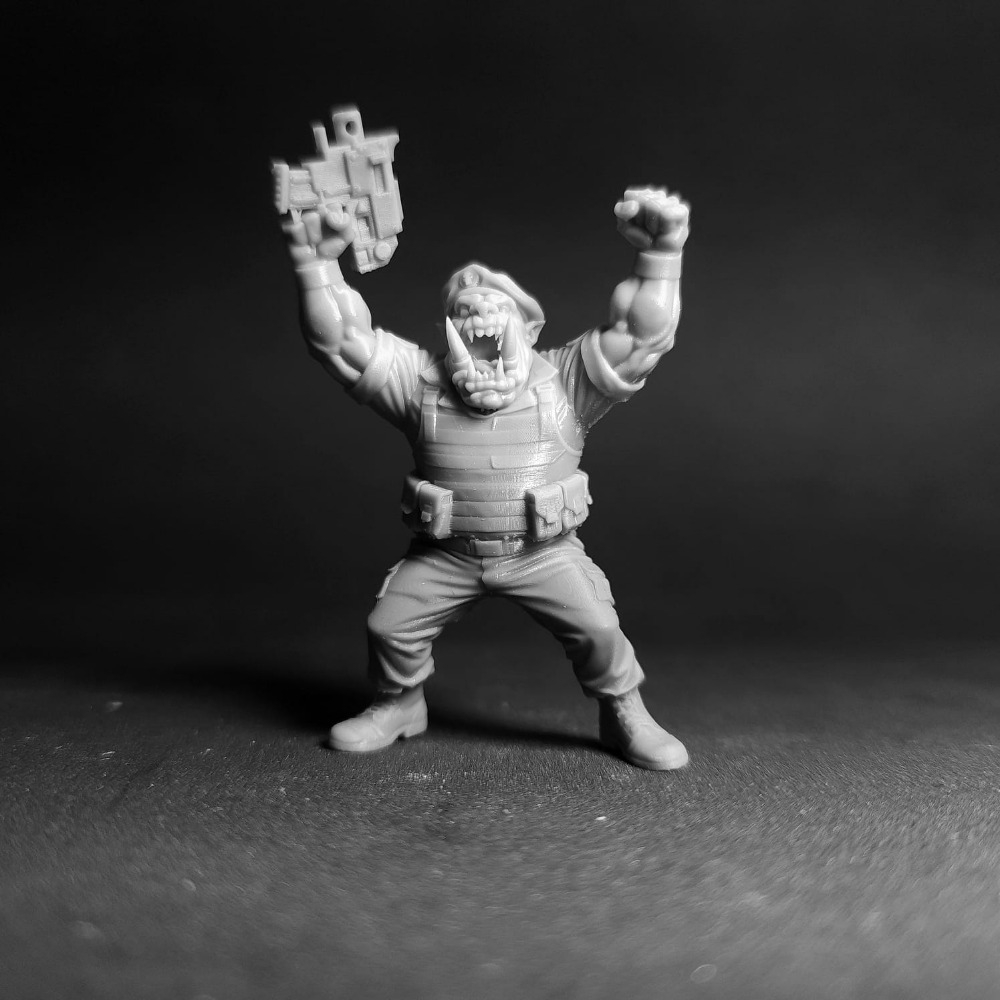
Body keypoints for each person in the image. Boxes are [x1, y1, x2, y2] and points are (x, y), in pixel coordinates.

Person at [281, 186, 691, 770]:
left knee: (599, 628)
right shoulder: (421, 383)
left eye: (497, 307)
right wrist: (316, 265)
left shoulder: (565, 382)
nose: (478, 314)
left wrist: (660, 256)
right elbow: (342, 344)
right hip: (446, 555)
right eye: (463, 311)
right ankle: (399, 704)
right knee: (389, 627)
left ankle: (625, 711)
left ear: (528, 330)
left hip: (542, 553)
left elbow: (642, 337)